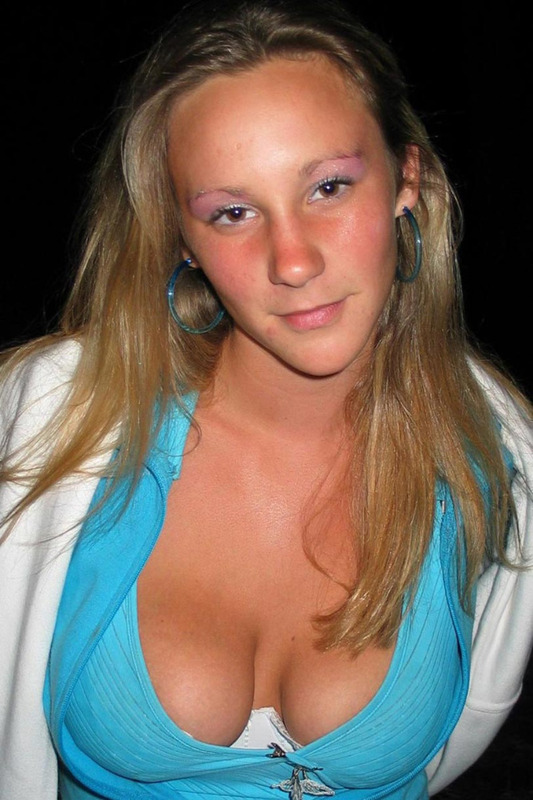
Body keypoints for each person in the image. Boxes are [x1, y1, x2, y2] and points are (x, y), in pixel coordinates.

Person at [1, 1, 531, 798]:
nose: (292, 261)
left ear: (406, 181)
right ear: (182, 237)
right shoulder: (54, 422)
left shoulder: (495, 451)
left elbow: (474, 714)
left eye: (327, 187)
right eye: (233, 212)